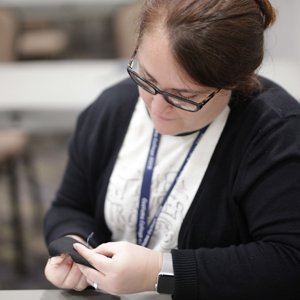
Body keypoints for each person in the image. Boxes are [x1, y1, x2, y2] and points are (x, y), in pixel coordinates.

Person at [44, 0, 300, 299]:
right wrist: (74, 248)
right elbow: (70, 207)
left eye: (184, 96)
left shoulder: (274, 133)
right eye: (147, 80)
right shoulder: (112, 109)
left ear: (234, 82)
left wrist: (159, 271)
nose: (158, 108)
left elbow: (289, 262)